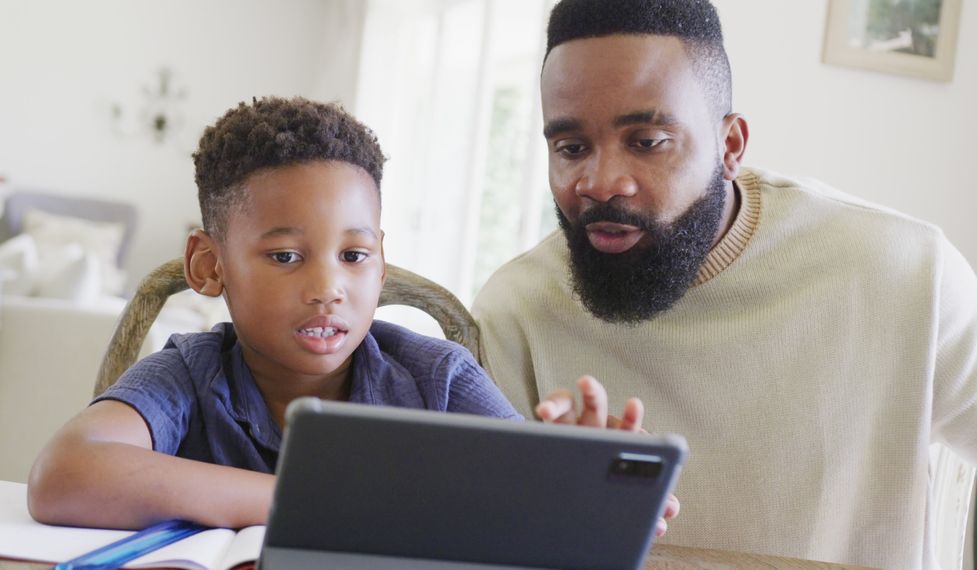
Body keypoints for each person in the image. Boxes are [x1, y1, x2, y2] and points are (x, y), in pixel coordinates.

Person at [471, 1, 977, 568]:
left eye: (647, 141)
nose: (602, 182)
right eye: (571, 146)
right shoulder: (517, 310)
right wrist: (551, 517)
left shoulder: (896, 270)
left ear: (730, 145)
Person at [27, 96, 656, 531]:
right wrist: (307, 501)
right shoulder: (188, 376)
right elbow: (64, 475)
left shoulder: (437, 378)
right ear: (209, 266)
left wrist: (585, 489)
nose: (328, 287)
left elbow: (523, 494)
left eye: (354, 254)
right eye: (284, 256)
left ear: (381, 263)